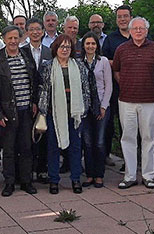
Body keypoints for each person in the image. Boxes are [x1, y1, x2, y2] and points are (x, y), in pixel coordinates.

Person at [112, 17, 154, 190]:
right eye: (135, 28)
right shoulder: (121, 49)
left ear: (147, 30)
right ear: (129, 31)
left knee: (148, 138)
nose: (138, 31)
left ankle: (148, 176)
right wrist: (128, 86)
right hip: (126, 101)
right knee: (128, 138)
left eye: (141, 28)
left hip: (150, 101)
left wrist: (153, 88)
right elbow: (117, 72)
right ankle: (129, 176)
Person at [0, 25, 39, 197]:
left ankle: (26, 181)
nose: (13, 41)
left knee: (26, 148)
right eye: (10, 38)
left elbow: (34, 81)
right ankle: (9, 183)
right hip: (7, 113)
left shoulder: (26, 56)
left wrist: (34, 102)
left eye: (16, 38)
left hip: (26, 111)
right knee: (8, 150)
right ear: (4, 39)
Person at [38, 34, 91, 194]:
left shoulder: (79, 66)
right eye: (62, 46)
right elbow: (43, 90)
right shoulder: (47, 66)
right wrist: (42, 109)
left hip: (75, 113)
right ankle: (54, 180)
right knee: (53, 147)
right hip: (54, 113)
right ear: (56, 48)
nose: (65, 49)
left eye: (68, 47)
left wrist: (84, 110)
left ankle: (75, 179)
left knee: (75, 147)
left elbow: (86, 89)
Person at [79, 32, 112, 188]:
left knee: (99, 142)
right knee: (87, 142)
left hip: (101, 106)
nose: (90, 46)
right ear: (83, 46)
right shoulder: (78, 63)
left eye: (93, 44)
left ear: (97, 46)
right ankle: (90, 175)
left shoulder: (103, 61)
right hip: (85, 108)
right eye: (87, 44)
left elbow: (108, 85)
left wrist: (104, 106)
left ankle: (99, 175)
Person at [101, 4, 132, 167]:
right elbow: (105, 61)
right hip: (114, 89)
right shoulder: (110, 39)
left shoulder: (138, 35)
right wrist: (124, 64)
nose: (122, 19)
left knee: (129, 126)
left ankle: (131, 161)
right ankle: (106, 155)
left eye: (125, 16)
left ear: (131, 18)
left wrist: (119, 63)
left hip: (135, 90)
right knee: (109, 124)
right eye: (119, 17)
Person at [24, 18, 52, 183]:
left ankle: (42, 169)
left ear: (42, 32)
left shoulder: (49, 51)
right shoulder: (21, 51)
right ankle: (28, 170)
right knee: (27, 137)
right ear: (27, 32)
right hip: (26, 100)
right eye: (31, 29)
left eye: (38, 29)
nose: (35, 32)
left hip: (45, 100)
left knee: (44, 134)